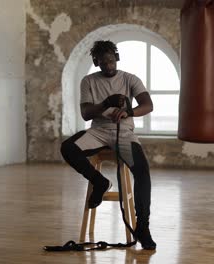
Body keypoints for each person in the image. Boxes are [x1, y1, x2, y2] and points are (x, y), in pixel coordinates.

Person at [60, 40, 156, 250]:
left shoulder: (130, 79)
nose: (109, 66)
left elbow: (148, 105)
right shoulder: (88, 81)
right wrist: (106, 103)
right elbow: (86, 113)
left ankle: (143, 227)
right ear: (96, 62)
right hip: (99, 132)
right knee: (67, 148)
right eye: (103, 63)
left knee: (142, 171)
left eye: (111, 61)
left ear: (117, 58)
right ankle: (100, 182)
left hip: (124, 133)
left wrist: (129, 112)